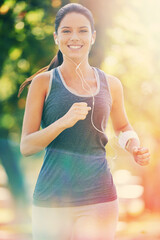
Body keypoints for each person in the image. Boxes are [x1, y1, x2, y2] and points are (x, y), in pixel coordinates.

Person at [18, 3, 150, 240]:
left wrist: (133, 146)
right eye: (66, 31)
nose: (74, 37)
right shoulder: (43, 84)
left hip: (99, 197)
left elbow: (123, 128)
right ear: (56, 37)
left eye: (82, 30)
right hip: (52, 198)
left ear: (92, 36)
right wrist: (62, 122)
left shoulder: (111, 84)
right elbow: (27, 146)